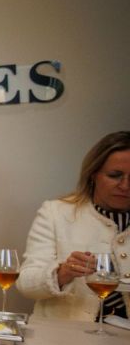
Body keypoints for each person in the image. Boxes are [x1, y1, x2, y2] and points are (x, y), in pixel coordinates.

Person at [16, 131, 130, 321]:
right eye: (115, 175)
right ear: (93, 175)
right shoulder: (56, 212)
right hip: (64, 339)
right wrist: (62, 273)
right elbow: (25, 284)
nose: (125, 186)